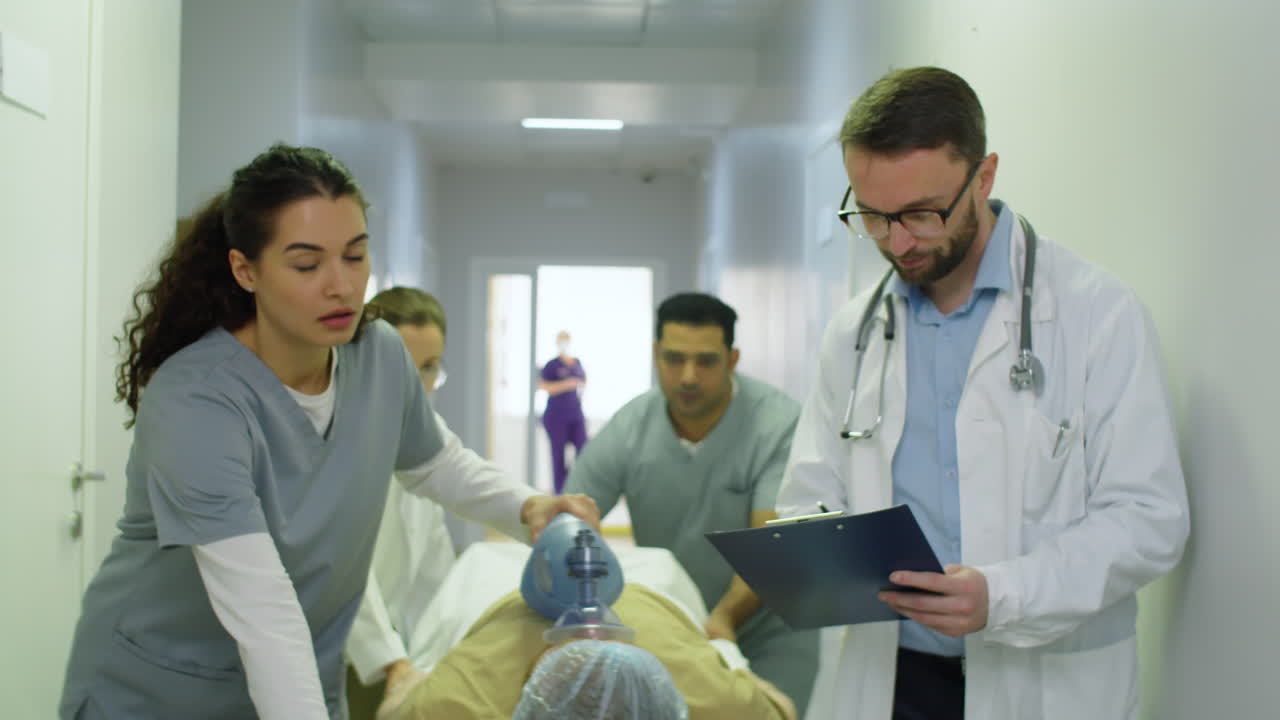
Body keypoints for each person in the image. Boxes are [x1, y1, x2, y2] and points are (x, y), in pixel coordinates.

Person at [58, 143, 598, 720]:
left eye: (356, 256)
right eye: (307, 264)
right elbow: (261, 609)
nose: (341, 286)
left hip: (298, 682)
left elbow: (433, 461)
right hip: (159, 691)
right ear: (246, 269)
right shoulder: (196, 400)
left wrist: (527, 508)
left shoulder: (379, 354)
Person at [777, 66, 1190, 719]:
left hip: (1044, 679)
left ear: (984, 176)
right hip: (891, 679)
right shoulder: (853, 333)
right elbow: (809, 496)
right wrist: (808, 544)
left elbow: (1148, 518)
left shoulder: (1097, 315)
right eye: (873, 216)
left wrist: (1004, 595)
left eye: (920, 213)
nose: (897, 242)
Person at [563, 293, 819, 716]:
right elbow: (572, 522)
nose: (688, 376)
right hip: (676, 622)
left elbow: (771, 545)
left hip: (769, 626)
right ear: (655, 354)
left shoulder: (778, 424)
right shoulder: (630, 427)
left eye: (706, 361)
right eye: (674, 359)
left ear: (732, 360)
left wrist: (722, 620)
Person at [373, 529, 797, 720]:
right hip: (649, 602)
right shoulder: (712, 698)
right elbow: (781, 710)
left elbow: (395, 706)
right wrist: (725, 648)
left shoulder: (461, 702)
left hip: (498, 597)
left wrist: (403, 673)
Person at [343, 287, 471, 715]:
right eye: (403, 368)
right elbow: (342, 568)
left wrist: (449, 647)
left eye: (430, 369)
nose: (418, 388)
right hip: (340, 650)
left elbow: (433, 560)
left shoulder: (426, 437)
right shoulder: (338, 442)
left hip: (396, 651)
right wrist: (391, 659)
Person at [537, 330, 587, 493]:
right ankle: (561, 494)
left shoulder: (577, 363)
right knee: (558, 457)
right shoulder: (552, 365)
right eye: (561, 340)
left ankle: (578, 487)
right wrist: (567, 384)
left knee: (584, 450)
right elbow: (544, 386)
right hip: (556, 416)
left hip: (575, 414)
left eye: (566, 340)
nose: (564, 343)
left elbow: (583, 382)